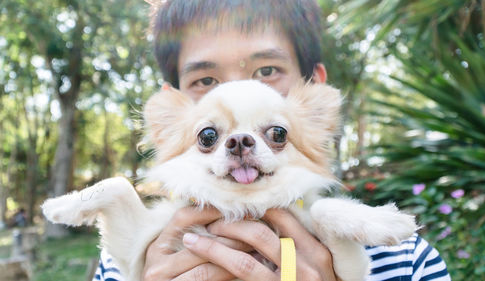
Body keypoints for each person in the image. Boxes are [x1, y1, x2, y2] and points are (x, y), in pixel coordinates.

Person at [94, 0, 451, 280]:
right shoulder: (122, 263)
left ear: (314, 88)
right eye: (205, 80)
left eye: (267, 71)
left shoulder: (406, 260)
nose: (235, 92)